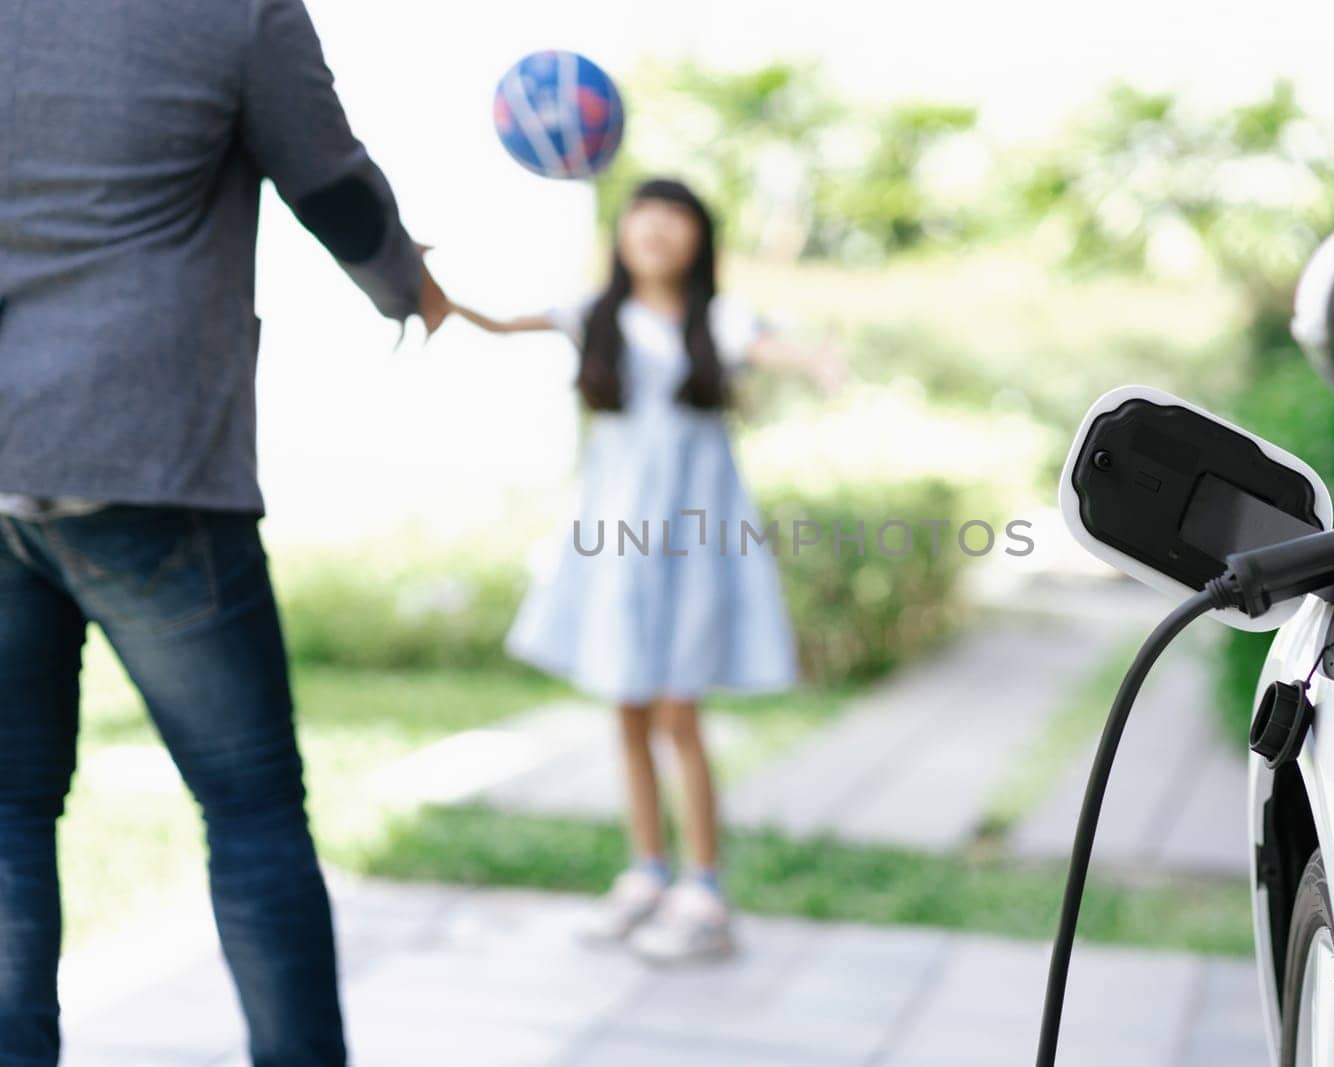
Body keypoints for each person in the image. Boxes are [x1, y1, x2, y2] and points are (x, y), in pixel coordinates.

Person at [0, 1, 449, 1062]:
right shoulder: (234, 9)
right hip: (147, 461)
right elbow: (332, 186)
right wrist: (409, 288)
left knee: (9, 812)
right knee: (252, 810)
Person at [451, 178, 842, 962]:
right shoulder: (595, 315)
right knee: (626, 704)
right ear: (622, 231)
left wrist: (820, 362)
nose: (657, 227)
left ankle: (705, 888)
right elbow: (493, 320)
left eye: (676, 215)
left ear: (700, 237)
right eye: (644, 213)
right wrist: (417, 279)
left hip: (692, 539)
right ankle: (646, 871)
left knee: (677, 711)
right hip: (616, 539)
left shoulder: (718, 321)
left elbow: (774, 347)